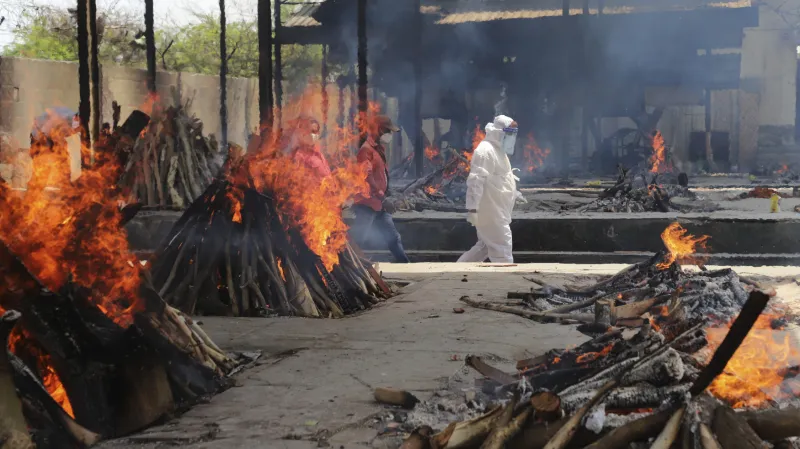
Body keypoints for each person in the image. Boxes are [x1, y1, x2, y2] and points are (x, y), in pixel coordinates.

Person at [458, 115, 523, 263]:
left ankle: (455, 272)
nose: (512, 137)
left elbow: (502, 177)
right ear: (499, 132)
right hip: (490, 210)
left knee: (484, 247)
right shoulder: (485, 151)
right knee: (502, 246)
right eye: (510, 132)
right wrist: (472, 208)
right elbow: (475, 181)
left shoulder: (498, 151)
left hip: (498, 208)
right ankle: (505, 282)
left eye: (514, 133)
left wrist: (514, 193)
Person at [351, 116, 410, 263]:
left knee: (394, 238)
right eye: (388, 131)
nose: (390, 135)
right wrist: (383, 197)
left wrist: (387, 195)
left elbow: (381, 176)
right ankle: (346, 266)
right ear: (379, 131)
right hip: (367, 204)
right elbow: (367, 176)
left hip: (380, 204)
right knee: (358, 241)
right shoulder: (366, 151)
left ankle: (405, 265)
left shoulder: (378, 149)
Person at [289, 117, 331, 182]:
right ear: (303, 133)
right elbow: (298, 181)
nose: (313, 135)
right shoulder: (299, 156)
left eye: (316, 132)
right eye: (310, 131)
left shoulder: (319, 154)